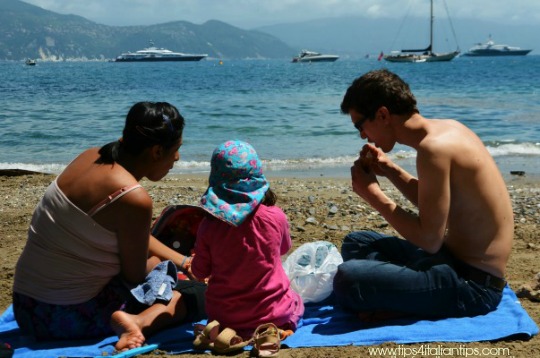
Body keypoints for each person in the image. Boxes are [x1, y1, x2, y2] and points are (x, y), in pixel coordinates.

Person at [12, 102, 206, 351]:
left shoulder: (90, 156)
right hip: (60, 319)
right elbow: (134, 277)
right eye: (176, 149)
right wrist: (162, 266)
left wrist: (184, 262)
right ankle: (138, 323)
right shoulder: (133, 198)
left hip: (25, 307)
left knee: (160, 262)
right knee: (195, 294)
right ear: (157, 151)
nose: (177, 158)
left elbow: (127, 235)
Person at [333, 69, 514, 320]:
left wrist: (373, 194)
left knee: (348, 280)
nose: (363, 135)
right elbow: (438, 204)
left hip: (473, 286)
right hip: (449, 261)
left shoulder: (433, 150)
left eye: (360, 125)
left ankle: (396, 301)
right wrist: (391, 171)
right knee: (357, 242)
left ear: (383, 114)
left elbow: (430, 239)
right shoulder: (447, 129)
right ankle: (400, 295)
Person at [190, 140, 304, 343]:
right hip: (272, 312)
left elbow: (200, 272)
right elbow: (283, 249)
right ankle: (280, 329)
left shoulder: (208, 227)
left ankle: (228, 332)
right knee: (296, 300)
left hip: (224, 316)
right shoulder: (276, 217)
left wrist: (195, 259)